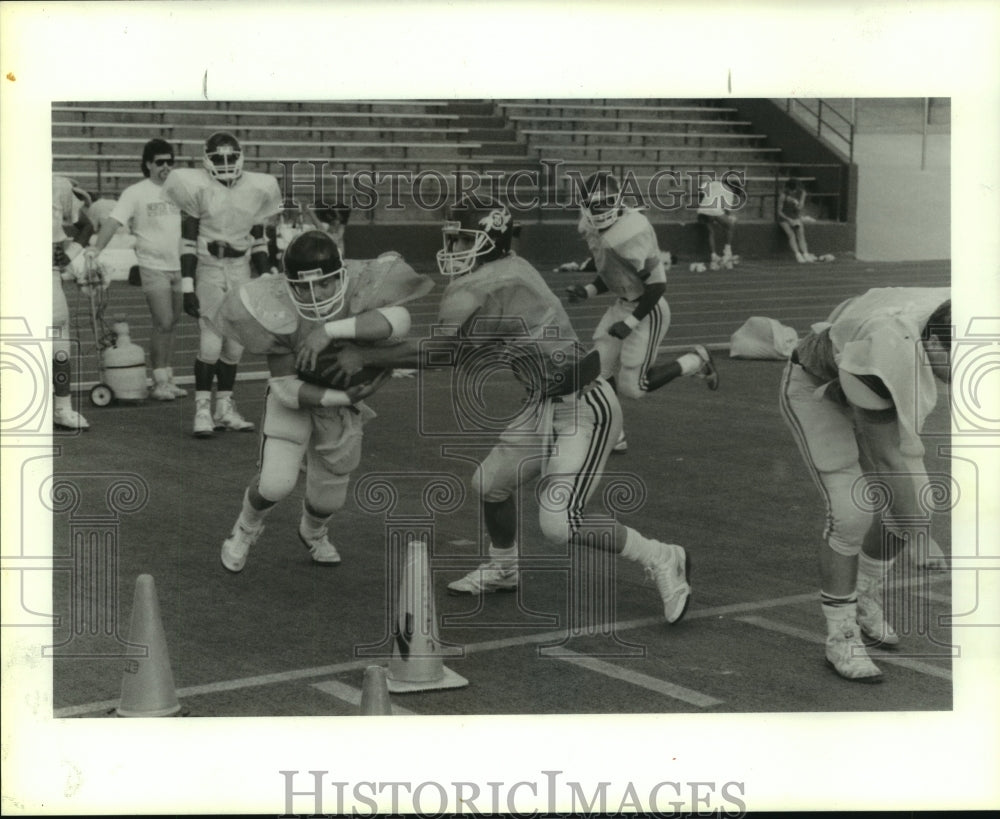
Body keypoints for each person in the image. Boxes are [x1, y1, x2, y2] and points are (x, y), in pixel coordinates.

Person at [321, 199, 693, 623]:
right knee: (489, 483)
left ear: (490, 239)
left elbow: (444, 352)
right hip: (543, 402)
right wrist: (378, 356)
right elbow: (459, 349)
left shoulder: (487, 283)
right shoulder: (504, 269)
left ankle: (663, 556)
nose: (455, 247)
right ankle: (503, 568)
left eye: (463, 238)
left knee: (559, 524)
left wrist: (366, 357)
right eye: (453, 239)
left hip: (585, 405)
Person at [209, 231, 433, 572]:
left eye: (325, 284)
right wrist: (344, 395)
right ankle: (244, 529)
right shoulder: (276, 305)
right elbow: (284, 386)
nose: (315, 294)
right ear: (289, 285)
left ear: (341, 277)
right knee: (275, 482)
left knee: (329, 497)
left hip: (338, 411)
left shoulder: (360, 285)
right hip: (299, 398)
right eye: (303, 287)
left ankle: (313, 532)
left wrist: (328, 331)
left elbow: (397, 322)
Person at [778, 287, 951, 682]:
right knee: (852, 510)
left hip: (859, 355)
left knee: (917, 503)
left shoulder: (960, 309)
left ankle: (865, 591)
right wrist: (920, 536)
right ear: (936, 341)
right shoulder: (889, 353)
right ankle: (840, 634)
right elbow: (886, 458)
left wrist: (916, 522)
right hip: (818, 389)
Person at [565, 172, 719, 453]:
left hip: (648, 308)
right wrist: (587, 291)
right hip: (625, 304)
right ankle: (615, 433)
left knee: (634, 388)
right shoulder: (592, 227)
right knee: (596, 369)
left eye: (605, 203)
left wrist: (630, 322)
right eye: (593, 204)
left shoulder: (632, 230)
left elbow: (658, 286)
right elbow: (613, 274)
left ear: (617, 201)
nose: (599, 210)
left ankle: (695, 361)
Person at [162, 131, 282, 436]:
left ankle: (224, 407)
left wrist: (267, 275)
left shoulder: (258, 188)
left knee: (235, 345)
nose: (226, 163)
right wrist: (188, 286)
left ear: (241, 157)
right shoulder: (196, 188)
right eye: (219, 158)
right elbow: (187, 242)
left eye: (231, 157)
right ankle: (202, 410)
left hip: (241, 270)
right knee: (211, 342)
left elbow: (259, 240)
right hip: (210, 269)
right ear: (207, 160)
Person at [91, 138, 186, 400]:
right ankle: (158, 381)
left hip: (180, 266)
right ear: (147, 164)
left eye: (169, 161)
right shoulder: (136, 192)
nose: (165, 167)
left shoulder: (181, 191)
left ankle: (168, 376)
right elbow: (113, 221)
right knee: (162, 322)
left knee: (173, 323)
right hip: (152, 265)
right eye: (159, 162)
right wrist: (96, 249)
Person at [51, 175, 97, 430]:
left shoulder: (57, 185)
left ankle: (62, 407)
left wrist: (68, 255)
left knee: (59, 341)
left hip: (47, 273)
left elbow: (86, 226)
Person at [695, 176, 739, 270]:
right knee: (730, 225)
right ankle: (727, 251)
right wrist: (728, 218)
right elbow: (727, 212)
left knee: (710, 232)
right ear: (734, 188)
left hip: (701, 210)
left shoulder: (714, 183)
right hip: (714, 211)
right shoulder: (729, 192)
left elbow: (701, 190)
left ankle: (713, 256)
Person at [777, 177, 816, 264]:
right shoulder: (783, 195)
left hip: (795, 216)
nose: (792, 192)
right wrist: (789, 219)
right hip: (784, 217)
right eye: (791, 191)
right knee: (791, 235)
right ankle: (798, 255)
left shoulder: (802, 193)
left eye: (793, 191)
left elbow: (800, 207)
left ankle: (805, 253)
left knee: (801, 235)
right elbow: (779, 212)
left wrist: (798, 204)